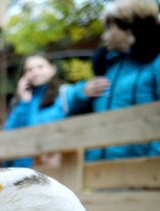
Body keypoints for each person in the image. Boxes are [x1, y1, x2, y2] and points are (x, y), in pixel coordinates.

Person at [65, 0, 160, 160]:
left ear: (128, 28)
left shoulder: (155, 63)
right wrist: (82, 92)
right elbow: (69, 108)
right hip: (95, 167)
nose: (104, 36)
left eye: (109, 29)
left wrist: (153, 163)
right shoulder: (108, 66)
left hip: (140, 170)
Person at [4, 54, 68, 167]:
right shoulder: (19, 101)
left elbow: (81, 91)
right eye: (29, 69)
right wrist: (24, 101)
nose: (35, 72)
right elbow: (8, 133)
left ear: (53, 69)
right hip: (21, 168)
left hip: (52, 167)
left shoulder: (64, 94)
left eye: (40, 67)